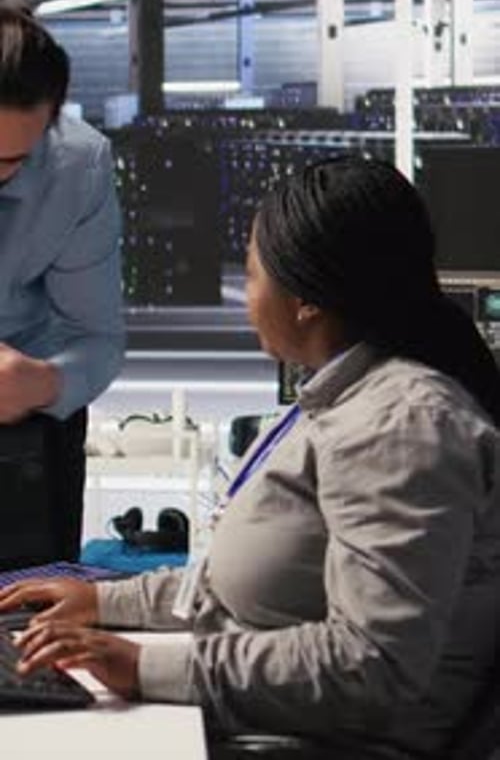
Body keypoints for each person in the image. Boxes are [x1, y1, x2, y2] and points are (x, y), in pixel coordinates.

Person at [1, 155, 500, 759]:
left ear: (307, 300)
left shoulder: (400, 427)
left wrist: (143, 666)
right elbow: (235, 588)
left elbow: (374, 667)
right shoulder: (345, 402)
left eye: (254, 272)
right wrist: (107, 602)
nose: (247, 296)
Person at [0, 4, 124, 565]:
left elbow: (97, 338)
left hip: (24, 424)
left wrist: (46, 383)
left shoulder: (79, 165)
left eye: (8, 160)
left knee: (28, 624)